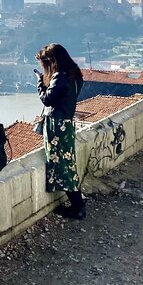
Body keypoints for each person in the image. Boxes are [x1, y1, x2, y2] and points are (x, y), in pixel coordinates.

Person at [35, 43, 86, 219]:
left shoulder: (59, 77)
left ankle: (77, 207)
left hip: (57, 126)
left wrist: (40, 83)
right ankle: (78, 204)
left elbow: (47, 100)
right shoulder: (75, 75)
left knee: (63, 168)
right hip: (66, 124)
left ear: (52, 61)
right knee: (68, 165)